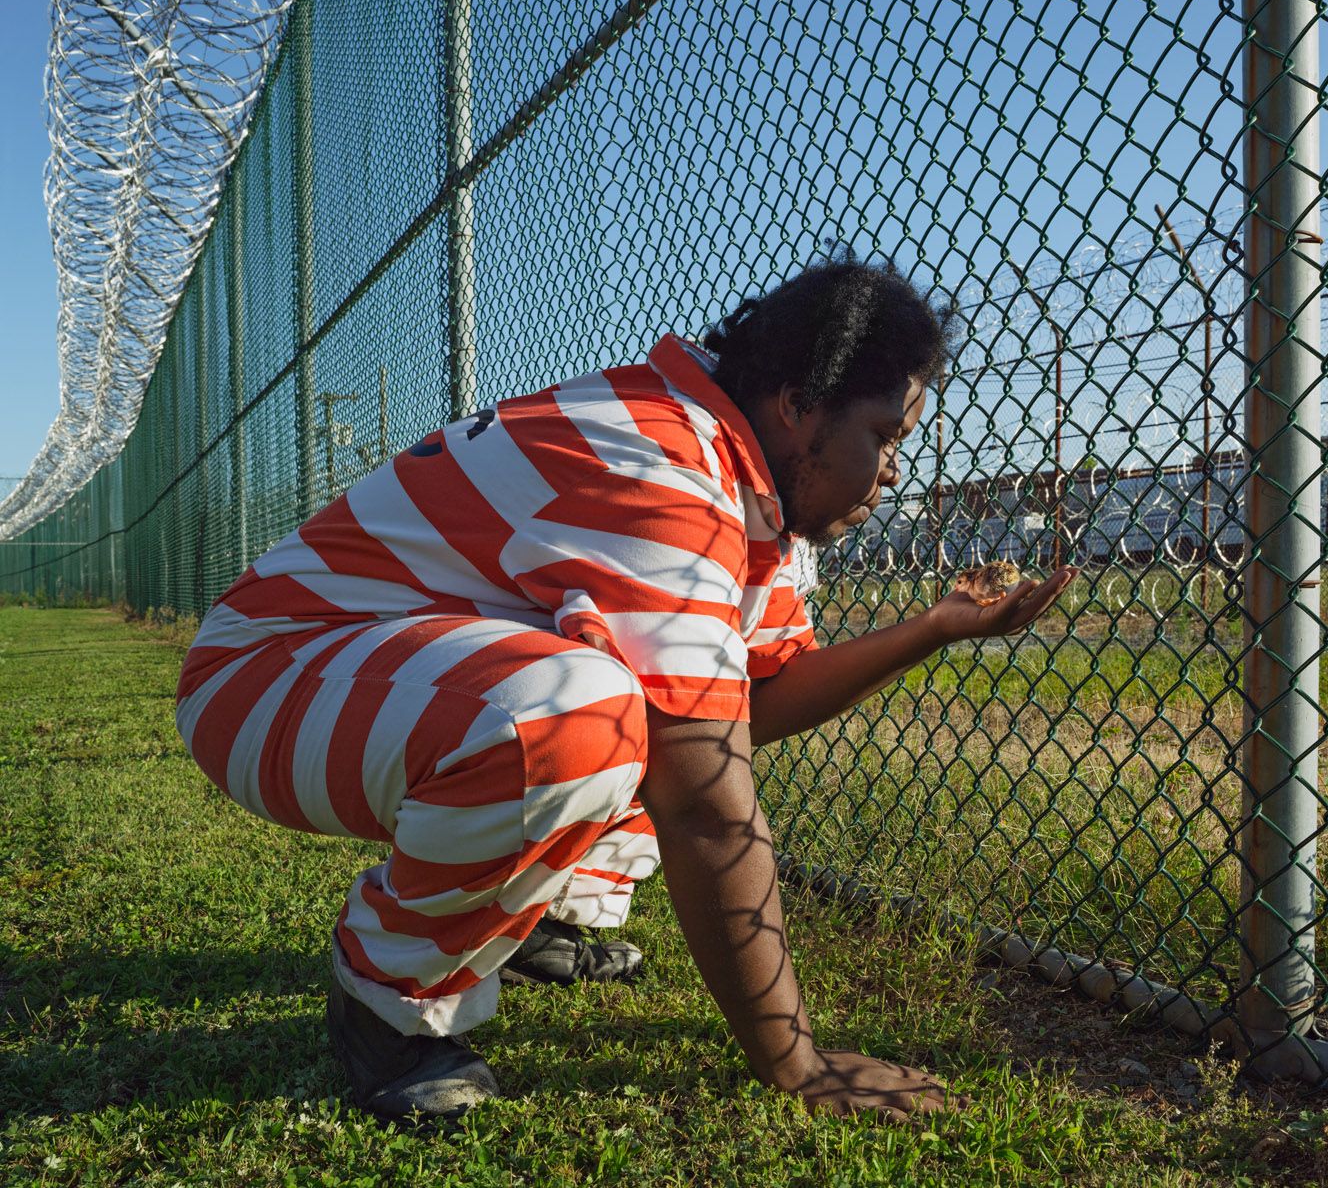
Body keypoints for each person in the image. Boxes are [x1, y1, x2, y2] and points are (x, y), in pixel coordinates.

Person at [174, 253, 1073, 1123]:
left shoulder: (744, 483)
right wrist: (794, 1060)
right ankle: (388, 994)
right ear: (799, 406)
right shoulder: (669, 466)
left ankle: (530, 920)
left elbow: (757, 700)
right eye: (883, 437)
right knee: (587, 714)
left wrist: (931, 629)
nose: (892, 473)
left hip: (364, 673)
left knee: (657, 698)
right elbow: (706, 802)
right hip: (265, 674)